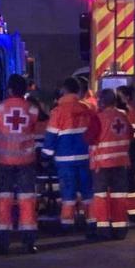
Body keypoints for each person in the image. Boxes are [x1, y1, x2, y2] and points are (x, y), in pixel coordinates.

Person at [0, 74, 41, 255]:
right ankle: (29, 242)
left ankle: (2, 242)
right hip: (26, 161)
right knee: (27, 200)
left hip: (4, 162)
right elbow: (35, 128)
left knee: (4, 200)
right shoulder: (33, 110)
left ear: (9, 89)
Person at [41, 77, 94, 228]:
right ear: (78, 91)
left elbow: (51, 136)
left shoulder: (58, 111)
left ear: (64, 90)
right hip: (85, 158)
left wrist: (45, 156)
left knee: (68, 192)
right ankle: (92, 222)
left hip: (65, 160)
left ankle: (67, 223)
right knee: (87, 192)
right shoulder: (87, 109)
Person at [84, 89, 135, 240]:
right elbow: (130, 135)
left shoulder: (97, 118)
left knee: (100, 197)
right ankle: (120, 230)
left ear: (101, 101)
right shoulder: (122, 116)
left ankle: (103, 230)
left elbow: (89, 138)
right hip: (120, 163)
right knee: (119, 196)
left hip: (102, 164)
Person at [115, 84, 135, 219]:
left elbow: (133, 134)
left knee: (128, 182)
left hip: (129, 150)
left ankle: (130, 212)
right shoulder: (130, 112)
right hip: (130, 150)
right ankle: (132, 212)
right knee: (129, 181)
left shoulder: (129, 113)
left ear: (126, 97)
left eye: (119, 96)